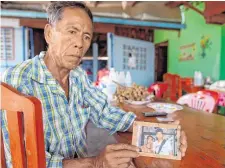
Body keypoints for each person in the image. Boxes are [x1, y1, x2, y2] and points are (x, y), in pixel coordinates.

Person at [1, 2, 187, 168]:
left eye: (86, 36)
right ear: (49, 33)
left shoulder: (78, 77)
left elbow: (105, 112)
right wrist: (96, 163)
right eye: (72, 31)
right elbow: (21, 161)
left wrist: (162, 133)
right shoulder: (17, 80)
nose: (79, 44)